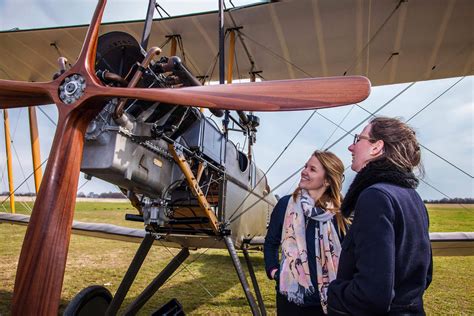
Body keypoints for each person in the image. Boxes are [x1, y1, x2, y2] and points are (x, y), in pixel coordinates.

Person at [327, 117, 433, 315]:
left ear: (376, 148)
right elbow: (424, 276)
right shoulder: (413, 197)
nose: (351, 147)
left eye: (358, 139)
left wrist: (334, 294)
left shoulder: (375, 197)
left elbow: (371, 293)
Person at [264, 150, 349, 315]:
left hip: (328, 298)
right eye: (305, 166)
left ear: (326, 180)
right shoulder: (285, 205)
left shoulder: (340, 213)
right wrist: (274, 271)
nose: (304, 171)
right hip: (290, 297)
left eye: (312, 169)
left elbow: (349, 254)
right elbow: (271, 243)